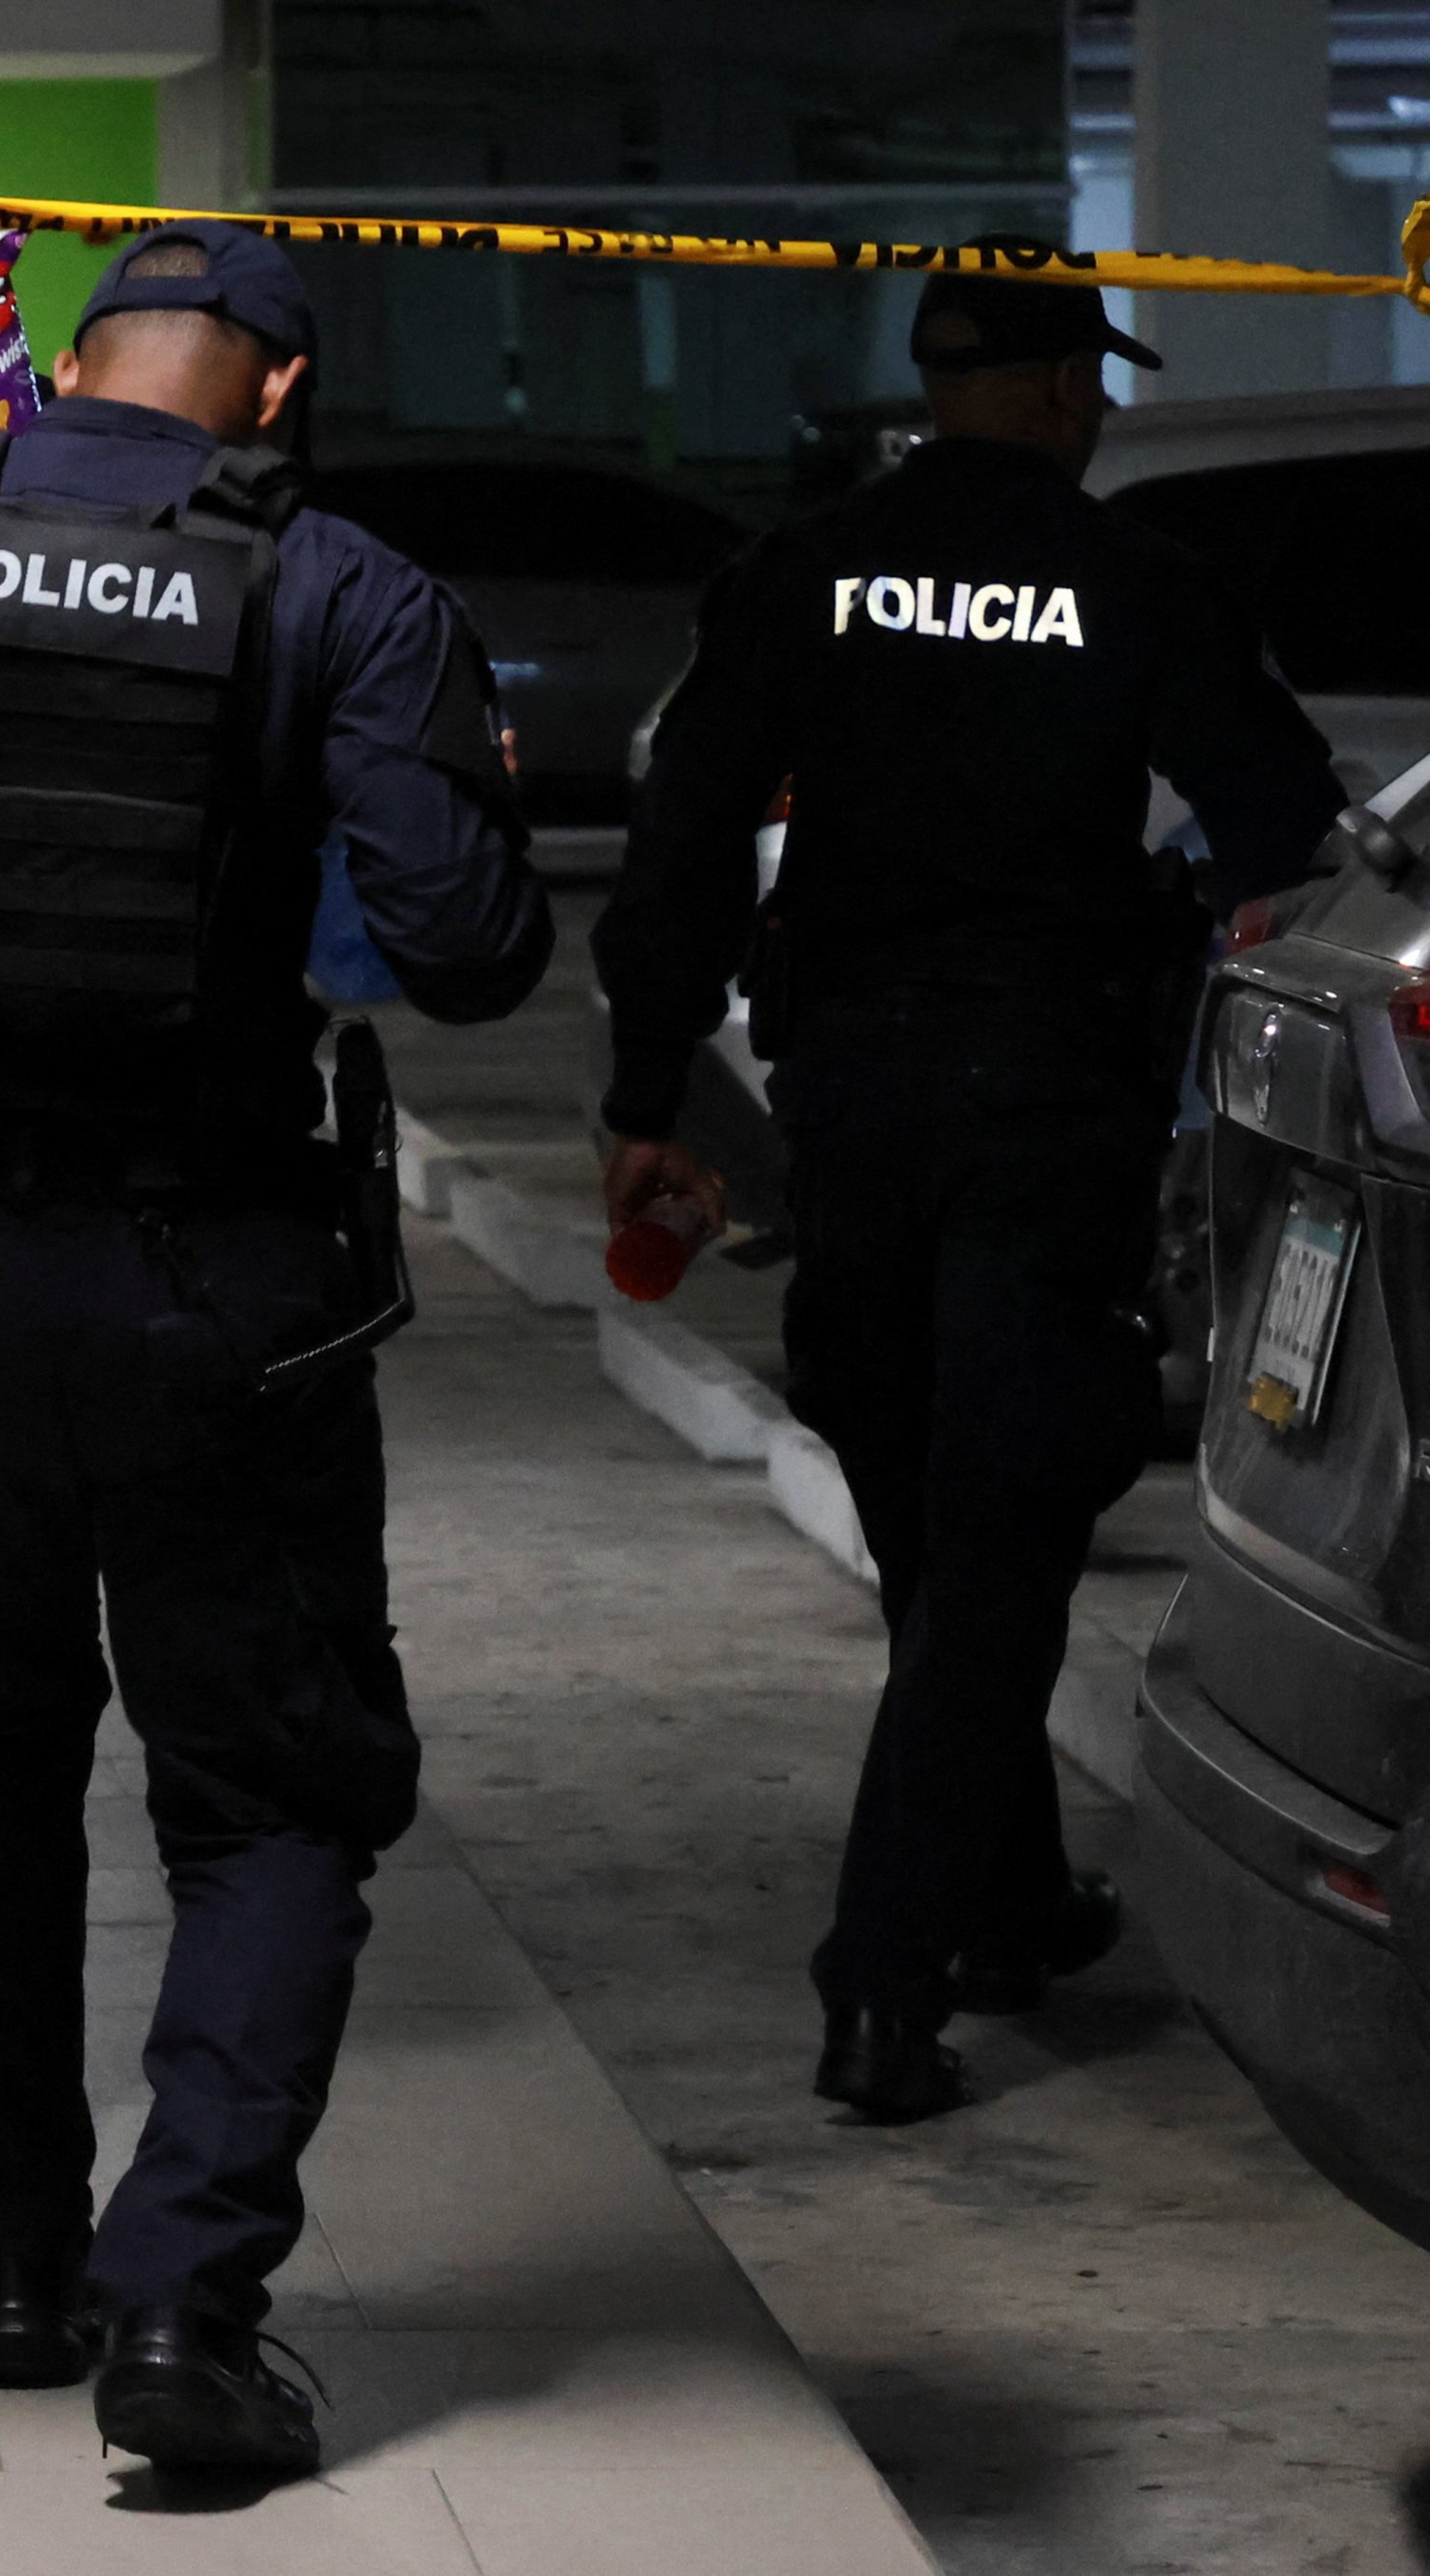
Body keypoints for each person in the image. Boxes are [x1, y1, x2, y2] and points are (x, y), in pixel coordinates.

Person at [0, 209, 551, 2466]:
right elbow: (461, 950)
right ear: (279, 388)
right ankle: (183, 2309)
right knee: (268, 1795)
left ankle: (13, 2268)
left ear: (69, 360)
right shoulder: (338, 585)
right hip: (213, 1283)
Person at [595, 252, 1345, 2125]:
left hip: (851, 1108)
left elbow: (685, 834)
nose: (1095, 409)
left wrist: (644, 1092)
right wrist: (1175, 917)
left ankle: (1006, 1904)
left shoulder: (800, 574)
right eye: (1088, 381)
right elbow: (1280, 818)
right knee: (999, 1534)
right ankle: (881, 1979)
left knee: (936, 1529)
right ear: (1051, 387)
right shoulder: (1130, 580)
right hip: (1043, 1106)